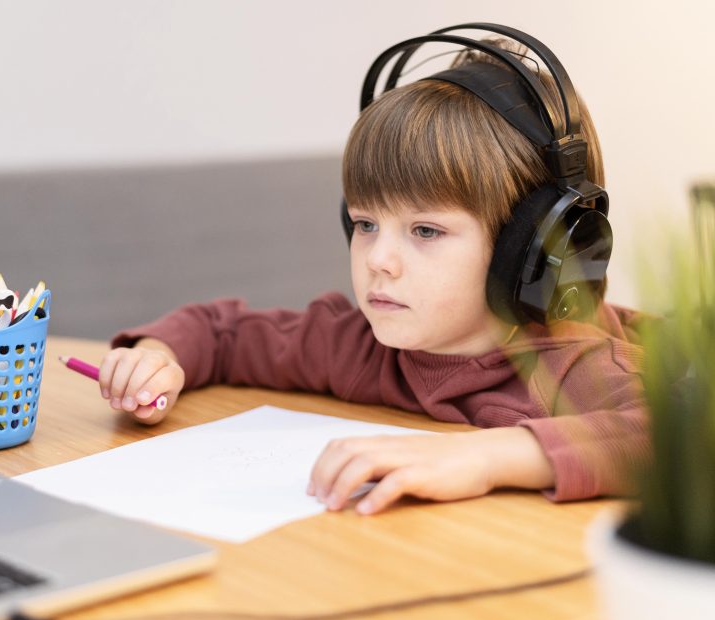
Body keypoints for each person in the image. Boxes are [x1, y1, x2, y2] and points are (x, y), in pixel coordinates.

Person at [95, 30, 649, 515]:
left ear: (527, 249)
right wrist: (156, 359)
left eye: (425, 231)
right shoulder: (356, 347)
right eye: (364, 224)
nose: (377, 260)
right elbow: (223, 334)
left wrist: (486, 457)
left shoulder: (576, 366)